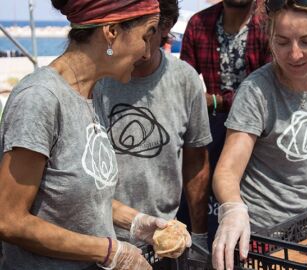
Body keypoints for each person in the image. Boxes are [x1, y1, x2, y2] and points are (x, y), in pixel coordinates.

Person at [0, 1, 188, 269]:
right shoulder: (40, 98)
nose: (147, 52)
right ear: (111, 31)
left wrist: (134, 222)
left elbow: (74, 198)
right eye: (146, 36)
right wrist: (109, 251)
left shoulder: (93, 93)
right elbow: (9, 220)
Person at [210, 0, 307, 269]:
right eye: (282, 42)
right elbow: (226, 172)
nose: (295, 54)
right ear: (269, 38)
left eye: (306, 41)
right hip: (263, 236)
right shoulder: (256, 91)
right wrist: (233, 209)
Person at [93, 0, 212, 251]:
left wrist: (199, 233)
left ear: (165, 26)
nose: (143, 52)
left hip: (163, 239)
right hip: (103, 240)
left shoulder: (185, 79)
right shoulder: (97, 79)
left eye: (149, 34)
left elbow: (196, 163)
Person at [180, 1, 271, 215]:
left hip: (261, 136)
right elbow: (184, 82)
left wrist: (216, 101)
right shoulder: (198, 23)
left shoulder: (269, 23)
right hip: (212, 134)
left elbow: (271, 89)